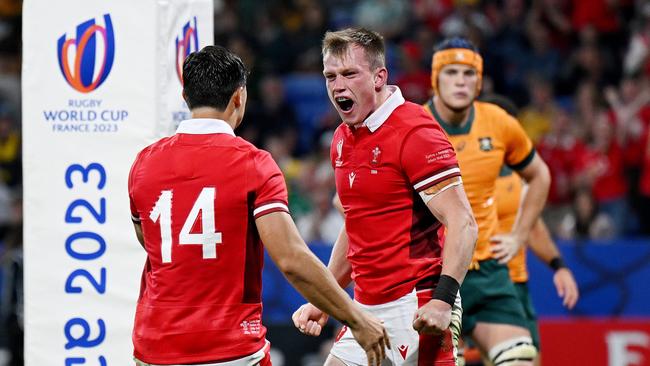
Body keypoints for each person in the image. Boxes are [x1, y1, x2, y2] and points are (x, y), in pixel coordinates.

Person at [128, 45, 390, 366]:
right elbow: (291, 258)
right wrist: (356, 318)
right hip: (228, 348)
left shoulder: (144, 163)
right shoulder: (253, 163)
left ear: (186, 97)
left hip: (154, 347)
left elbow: (148, 240)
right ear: (239, 97)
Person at [293, 28, 478, 365]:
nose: (337, 86)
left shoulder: (415, 131)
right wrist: (326, 298)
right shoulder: (341, 138)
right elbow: (357, 226)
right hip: (364, 309)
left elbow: (462, 221)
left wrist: (442, 300)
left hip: (417, 305)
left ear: (379, 77)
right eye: (330, 76)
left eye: (350, 74)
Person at [423, 38, 551, 366]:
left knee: (521, 358)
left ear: (479, 81)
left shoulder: (499, 122)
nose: (461, 81)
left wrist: (520, 236)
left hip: (488, 271)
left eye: (469, 73)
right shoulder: (412, 126)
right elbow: (349, 200)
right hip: (430, 273)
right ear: (435, 78)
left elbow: (540, 175)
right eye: (451, 72)